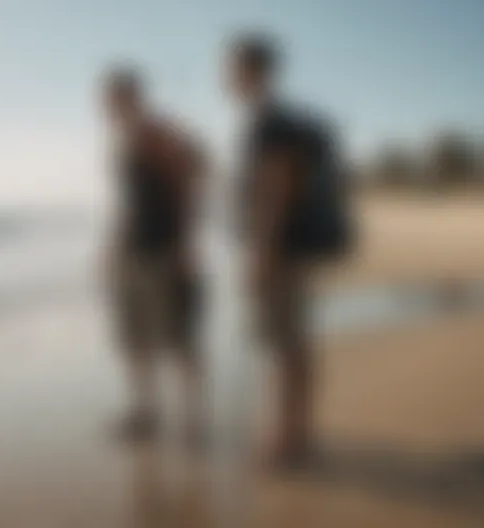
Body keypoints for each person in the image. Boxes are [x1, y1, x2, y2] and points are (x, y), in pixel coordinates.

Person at [225, 32, 353, 469]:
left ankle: (287, 439)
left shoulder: (268, 123)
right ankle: (300, 431)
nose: (225, 76)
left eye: (231, 67)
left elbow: (275, 191)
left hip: (280, 253)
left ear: (252, 71)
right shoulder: (279, 120)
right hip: (292, 251)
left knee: (283, 346)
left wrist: (261, 256)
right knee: (295, 344)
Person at [103, 66, 207, 448]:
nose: (111, 107)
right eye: (108, 101)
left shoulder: (156, 134)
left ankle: (193, 421)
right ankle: (145, 414)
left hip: (164, 252)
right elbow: (130, 202)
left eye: (117, 98)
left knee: (179, 339)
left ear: (134, 97)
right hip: (133, 252)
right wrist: (113, 245)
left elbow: (193, 176)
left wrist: (186, 243)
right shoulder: (122, 142)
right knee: (134, 338)